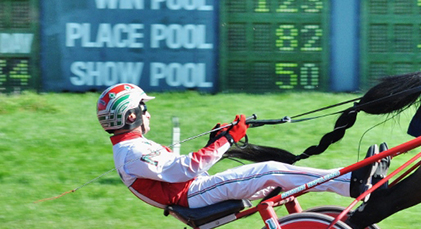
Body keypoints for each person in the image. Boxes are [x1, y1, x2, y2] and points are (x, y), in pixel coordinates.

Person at [97, 82, 388, 210]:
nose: (148, 112)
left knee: (280, 174)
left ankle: (351, 180)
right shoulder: (131, 153)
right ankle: (352, 183)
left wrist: (215, 142)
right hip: (195, 195)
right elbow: (186, 169)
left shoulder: (133, 147)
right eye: (143, 107)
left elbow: (181, 168)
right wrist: (228, 139)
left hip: (197, 189)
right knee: (271, 170)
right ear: (130, 115)